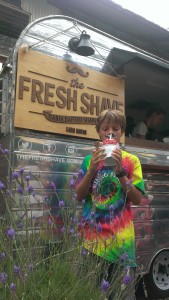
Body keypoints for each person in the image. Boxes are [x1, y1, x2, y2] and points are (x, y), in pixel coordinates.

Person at [75, 109, 145, 300]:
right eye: (105, 128)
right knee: (87, 294)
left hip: (121, 246)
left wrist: (120, 172)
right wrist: (90, 171)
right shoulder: (89, 160)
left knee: (121, 296)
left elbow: (137, 199)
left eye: (115, 128)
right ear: (99, 132)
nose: (110, 132)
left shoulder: (132, 161)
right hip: (92, 243)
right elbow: (78, 196)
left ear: (121, 131)